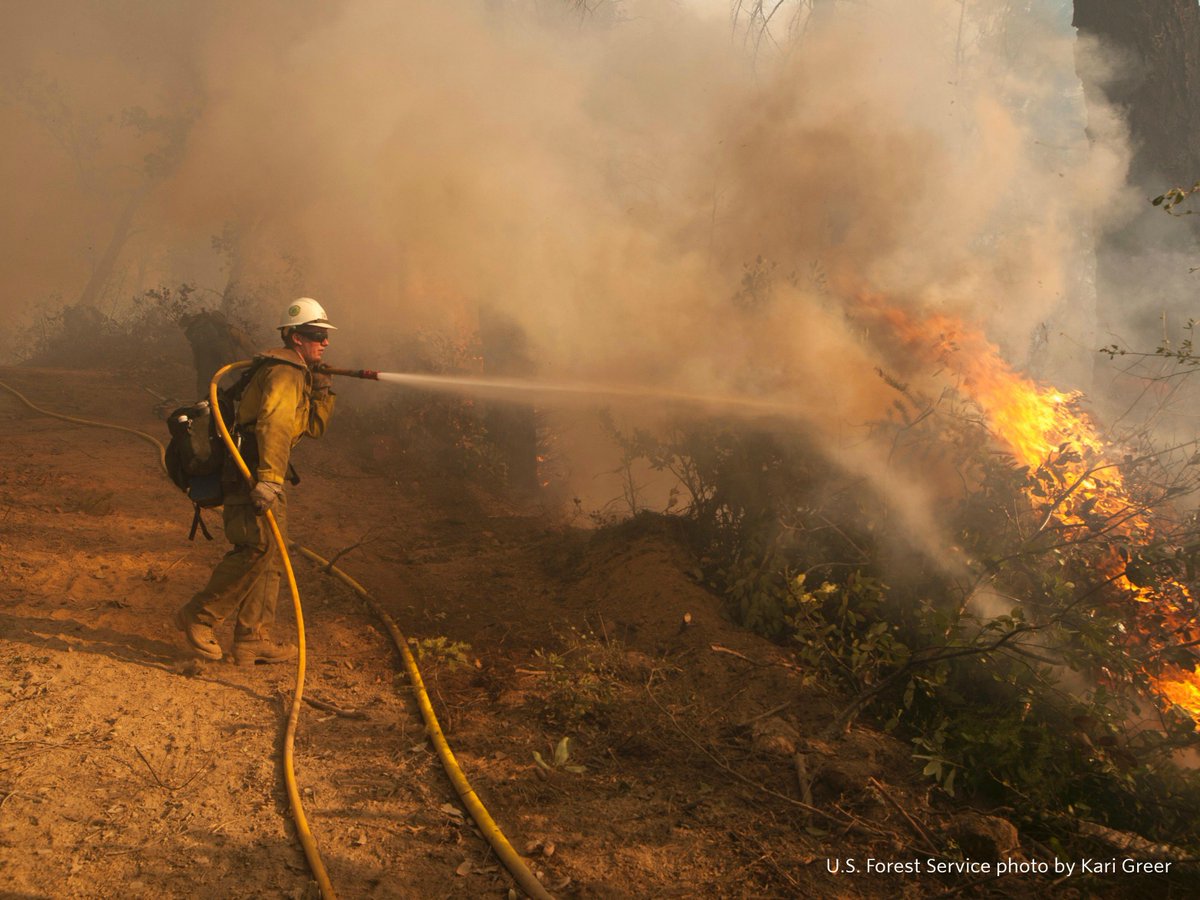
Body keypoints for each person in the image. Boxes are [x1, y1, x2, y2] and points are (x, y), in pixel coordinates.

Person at [174, 297, 337, 665]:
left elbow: (312, 428)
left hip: (265, 473)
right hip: (252, 474)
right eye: (316, 335)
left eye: (326, 335)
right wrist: (270, 480)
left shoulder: (296, 373)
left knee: (272, 553)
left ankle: (253, 637)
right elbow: (273, 425)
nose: (325, 341)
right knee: (255, 547)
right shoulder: (284, 373)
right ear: (296, 337)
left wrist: (322, 391)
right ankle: (198, 616)